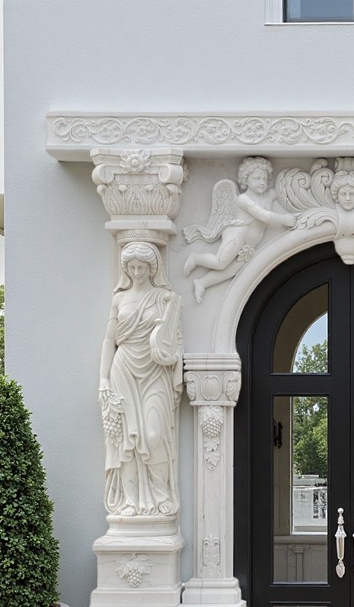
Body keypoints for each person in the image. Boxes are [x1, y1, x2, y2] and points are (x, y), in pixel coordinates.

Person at [99, 242, 183, 517]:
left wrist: (169, 356)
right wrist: (103, 380)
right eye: (131, 267)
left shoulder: (164, 298)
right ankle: (131, 502)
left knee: (153, 434)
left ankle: (160, 498)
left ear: (152, 268)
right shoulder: (119, 299)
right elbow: (110, 341)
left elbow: (175, 344)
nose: (136, 271)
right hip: (122, 369)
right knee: (127, 441)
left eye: (141, 267)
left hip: (155, 370)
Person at [184, 157, 295, 302]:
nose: (262, 182)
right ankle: (196, 258)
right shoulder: (243, 199)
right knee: (220, 262)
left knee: (231, 271)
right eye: (257, 178)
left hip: (250, 245)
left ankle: (202, 283)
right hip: (238, 236)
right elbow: (264, 216)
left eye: (265, 178)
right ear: (246, 179)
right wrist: (285, 219)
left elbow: (281, 188)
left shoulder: (267, 196)